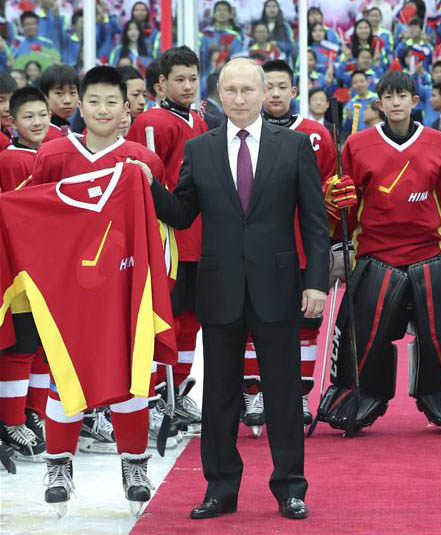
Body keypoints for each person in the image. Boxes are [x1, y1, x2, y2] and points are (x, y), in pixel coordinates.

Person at [148, 57, 328, 520]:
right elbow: (183, 212)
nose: (241, 99)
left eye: (249, 90)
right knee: (220, 396)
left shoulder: (292, 147)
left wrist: (317, 283)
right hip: (220, 287)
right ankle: (220, 489)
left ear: (265, 90)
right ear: (219, 95)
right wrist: (146, 184)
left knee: (284, 393)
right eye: (232, 91)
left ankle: (290, 487)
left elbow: (314, 222)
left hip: (279, 285)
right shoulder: (200, 148)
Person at [27, 65, 168, 515]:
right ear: (78, 106)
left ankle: (134, 464)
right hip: (68, 290)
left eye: (113, 102)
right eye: (94, 102)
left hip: (125, 287)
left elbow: (159, 227)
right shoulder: (52, 156)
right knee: (63, 376)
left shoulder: (143, 162)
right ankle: (59, 465)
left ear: (126, 108)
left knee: (132, 379)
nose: (103, 110)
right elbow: (34, 216)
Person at [316, 71, 441, 434]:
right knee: (365, 337)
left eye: (402, 96)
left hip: (429, 251)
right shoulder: (357, 145)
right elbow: (345, 206)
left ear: (414, 101)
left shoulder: (438, 143)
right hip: (376, 252)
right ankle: (353, 394)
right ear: (380, 103)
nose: (396, 103)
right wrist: (334, 205)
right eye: (388, 97)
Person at [126, 46, 209, 444]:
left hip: (200, 236)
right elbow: (143, 182)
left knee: (190, 319)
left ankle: (175, 394)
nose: (188, 85)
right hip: (168, 238)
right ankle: (158, 396)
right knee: (166, 320)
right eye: (179, 79)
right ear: (160, 83)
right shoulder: (153, 120)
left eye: (193, 78)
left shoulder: (199, 118)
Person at [254, 59, 337, 425]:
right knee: (253, 320)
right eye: (267, 86)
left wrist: (339, 199)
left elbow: (328, 191)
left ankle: (300, 396)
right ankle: (252, 395)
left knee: (306, 323)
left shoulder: (316, 133)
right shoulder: (243, 132)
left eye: (280, 86)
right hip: (258, 246)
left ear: (293, 90)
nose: (274, 93)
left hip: (302, 243)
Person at [0, 87, 51, 465]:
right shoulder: (9, 160)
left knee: (45, 346)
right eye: (28, 117)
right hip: (20, 268)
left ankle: (34, 412)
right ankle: (12, 419)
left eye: (42, 115)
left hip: (52, 267)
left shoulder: (55, 155)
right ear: (12, 122)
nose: (36, 123)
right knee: (21, 344)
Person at [37, 65, 79, 141]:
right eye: (59, 93)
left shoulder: (62, 128)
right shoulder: (42, 133)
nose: (67, 100)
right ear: (45, 97)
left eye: (72, 92)